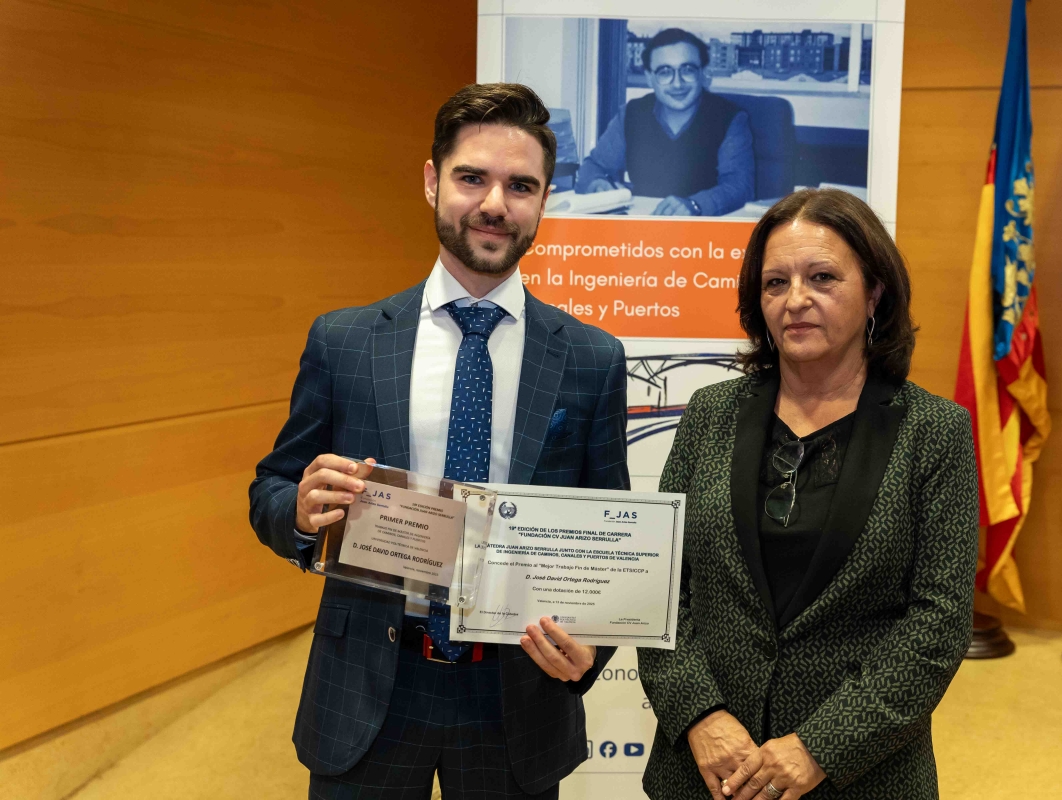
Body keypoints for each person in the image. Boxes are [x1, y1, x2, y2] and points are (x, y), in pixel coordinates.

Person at [249, 83, 628, 799]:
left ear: (545, 200)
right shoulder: (347, 342)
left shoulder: (591, 358)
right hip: (369, 683)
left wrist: (592, 644)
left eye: (521, 185)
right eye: (472, 177)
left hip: (515, 697)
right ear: (431, 183)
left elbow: (605, 535)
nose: (495, 204)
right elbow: (269, 489)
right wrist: (299, 512)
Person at [637, 188, 978, 800]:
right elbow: (657, 585)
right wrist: (699, 715)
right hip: (705, 770)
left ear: (875, 291)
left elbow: (939, 624)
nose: (796, 300)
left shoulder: (937, 433)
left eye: (823, 277)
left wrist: (820, 747)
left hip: (860, 774)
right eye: (775, 283)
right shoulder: (710, 414)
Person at [576, 27, 755, 216]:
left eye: (687, 69)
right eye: (664, 72)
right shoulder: (631, 113)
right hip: (642, 227)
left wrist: (695, 205)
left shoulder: (731, 117)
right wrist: (597, 184)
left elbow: (740, 186)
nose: (677, 83)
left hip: (705, 231)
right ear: (649, 78)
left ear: (702, 73)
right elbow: (593, 166)